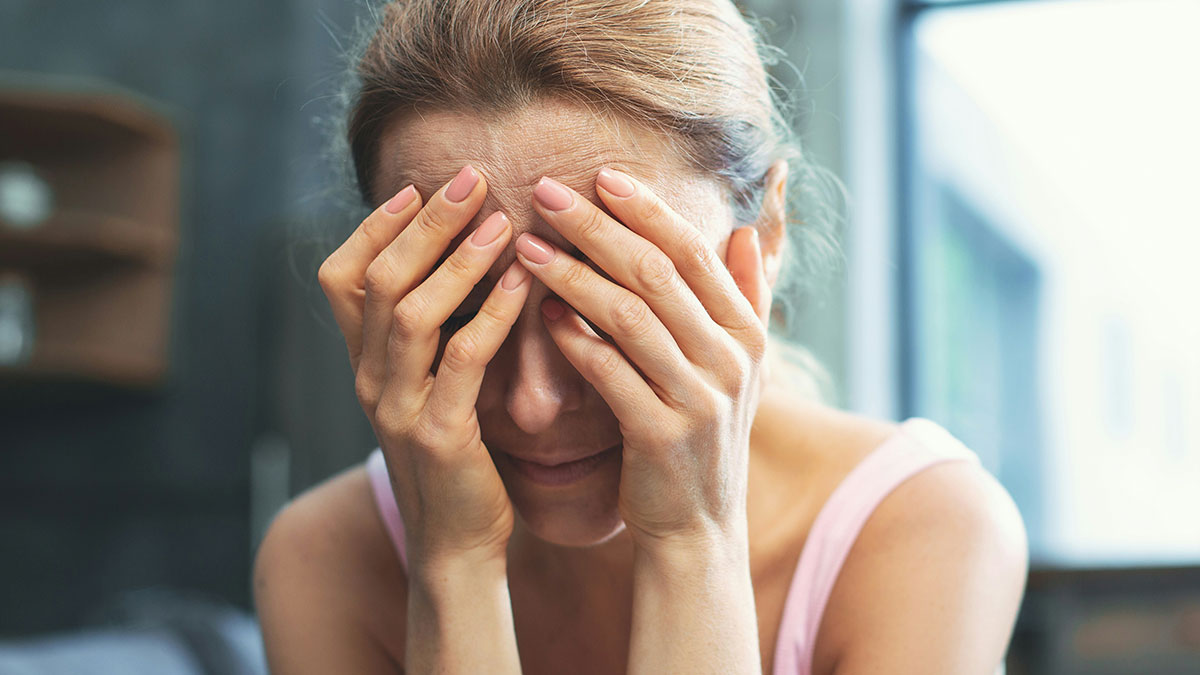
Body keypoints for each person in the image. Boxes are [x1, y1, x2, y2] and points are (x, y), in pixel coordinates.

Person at [253, 1, 1028, 673]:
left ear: (765, 237)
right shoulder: (323, 561)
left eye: (611, 298)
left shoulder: (921, 532)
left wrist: (694, 539)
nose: (531, 404)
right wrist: (451, 566)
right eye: (460, 308)